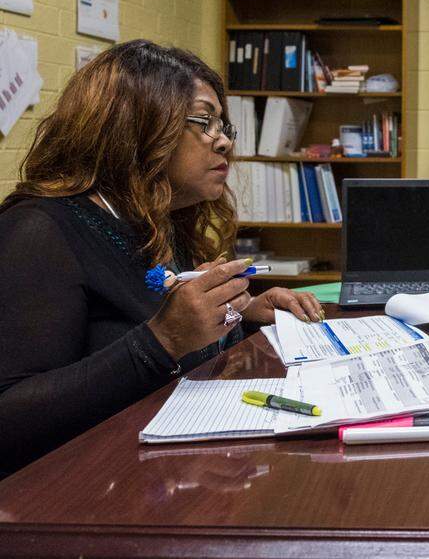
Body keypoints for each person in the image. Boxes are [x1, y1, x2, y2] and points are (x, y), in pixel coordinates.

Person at [0, 40, 324, 476]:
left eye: (224, 126)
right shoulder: (40, 230)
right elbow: (10, 417)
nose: (224, 141)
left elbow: (163, 333)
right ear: (137, 126)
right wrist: (162, 340)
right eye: (204, 123)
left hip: (149, 471)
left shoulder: (160, 220)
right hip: (68, 495)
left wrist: (243, 317)